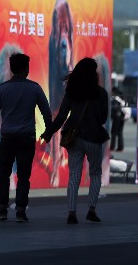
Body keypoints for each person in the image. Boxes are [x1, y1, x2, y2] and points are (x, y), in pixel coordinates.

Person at [0, 53, 52, 223]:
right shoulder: (34, 88)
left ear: (12, 69)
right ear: (26, 69)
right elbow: (46, 112)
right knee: (23, 175)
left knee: (3, 174)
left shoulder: (3, 88)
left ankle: (2, 210)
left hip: (8, 138)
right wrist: (48, 131)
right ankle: (20, 211)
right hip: (26, 138)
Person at [41, 57, 110, 224]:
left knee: (74, 176)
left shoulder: (71, 92)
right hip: (94, 137)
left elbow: (61, 117)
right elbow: (102, 119)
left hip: (75, 137)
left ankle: (72, 213)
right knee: (95, 174)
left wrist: (49, 132)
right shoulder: (101, 93)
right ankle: (91, 210)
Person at [110, 87, 127, 152]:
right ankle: (120, 147)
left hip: (117, 117)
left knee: (113, 132)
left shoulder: (116, 99)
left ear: (114, 92)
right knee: (120, 132)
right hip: (123, 116)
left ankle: (112, 147)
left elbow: (115, 108)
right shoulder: (122, 97)